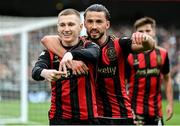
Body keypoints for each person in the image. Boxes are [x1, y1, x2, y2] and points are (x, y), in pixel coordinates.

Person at [40, 4, 155, 125]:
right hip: (92, 117)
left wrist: (145, 38)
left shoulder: (118, 44)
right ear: (84, 24)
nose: (94, 26)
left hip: (119, 115)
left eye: (99, 22)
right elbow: (46, 40)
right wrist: (71, 59)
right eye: (90, 22)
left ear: (107, 24)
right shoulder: (79, 45)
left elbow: (148, 46)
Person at [32, 8, 100, 125]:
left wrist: (71, 54)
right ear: (58, 28)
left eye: (71, 24)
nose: (66, 29)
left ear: (80, 26)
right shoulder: (50, 52)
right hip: (59, 118)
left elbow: (94, 53)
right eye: (62, 25)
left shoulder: (88, 45)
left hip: (88, 118)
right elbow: (35, 72)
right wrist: (45, 73)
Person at [126, 17, 173, 125]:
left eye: (148, 30)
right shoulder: (129, 56)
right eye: (141, 31)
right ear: (135, 33)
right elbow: (123, 84)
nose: (145, 34)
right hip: (135, 110)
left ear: (154, 31)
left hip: (156, 111)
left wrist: (170, 103)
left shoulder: (163, 54)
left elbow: (167, 78)